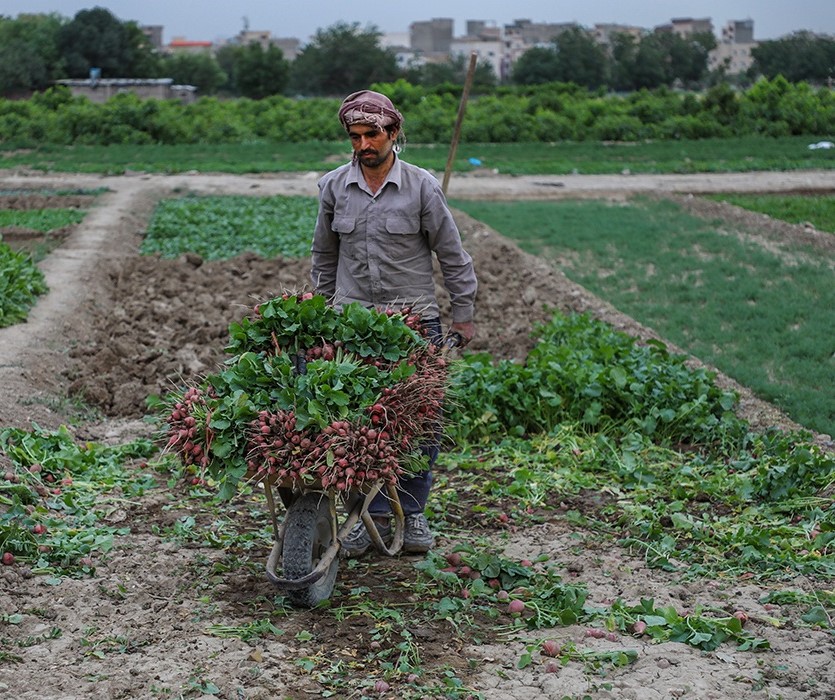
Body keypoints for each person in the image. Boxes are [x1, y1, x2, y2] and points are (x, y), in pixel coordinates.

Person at [310, 89, 478, 556]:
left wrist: (462, 316)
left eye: (372, 134)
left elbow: (453, 256)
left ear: (394, 133)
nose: (363, 145)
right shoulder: (333, 187)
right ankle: (363, 516)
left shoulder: (422, 187)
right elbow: (324, 257)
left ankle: (413, 512)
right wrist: (320, 318)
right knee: (353, 424)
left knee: (417, 423)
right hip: (352, 321)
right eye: (355, 136)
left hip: (412, 321)